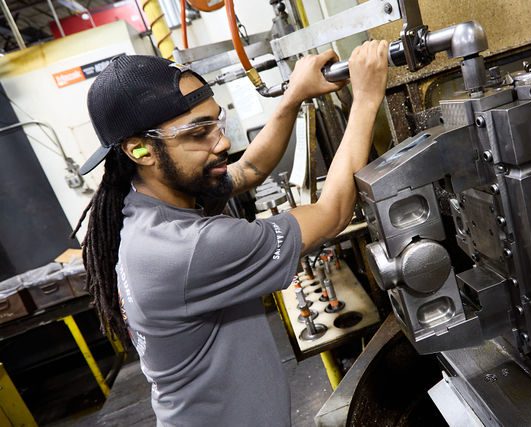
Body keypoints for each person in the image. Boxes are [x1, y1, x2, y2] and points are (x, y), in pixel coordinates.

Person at [73, 40, 388, 426]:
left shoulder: (146, 204)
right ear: (139, 150)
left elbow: (249, 170)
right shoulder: (189, 248)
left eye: (216, 122)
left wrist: (293, 96)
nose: (222, 142)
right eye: (199, 132)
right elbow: (333, 212)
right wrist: (367, 97)